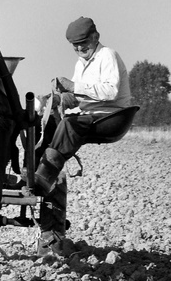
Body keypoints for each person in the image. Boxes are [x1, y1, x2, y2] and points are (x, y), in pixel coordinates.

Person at [34, 17, 132, 255]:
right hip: (92, 113)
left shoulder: (107, 55)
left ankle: (44, 177)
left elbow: (109, 91)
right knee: (49, 122)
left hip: (112, 116)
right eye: (75, 46)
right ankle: (37, 165)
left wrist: (73, 87)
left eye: (83, 44)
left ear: (95, 37)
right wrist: (57, 99)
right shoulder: (82, 63)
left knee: (69, 125)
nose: (79, 49)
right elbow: (79, 97)